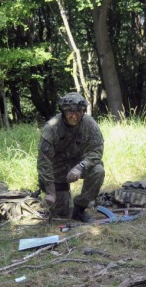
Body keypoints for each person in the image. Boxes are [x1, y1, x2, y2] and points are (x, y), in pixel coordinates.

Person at [37, 92, 105, 223]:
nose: (73, 116)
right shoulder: (51, 128)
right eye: (69, 112)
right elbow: (44, 163)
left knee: (98, 170)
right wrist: (50, 191)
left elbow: (96, 150)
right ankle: (60, 196)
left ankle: (80, 209)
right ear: (63, 112)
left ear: (82, 112)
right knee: (61, 215)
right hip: (57, 168)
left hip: (78, 163)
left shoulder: (89, 124)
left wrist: (81, 167)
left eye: (77, 112)